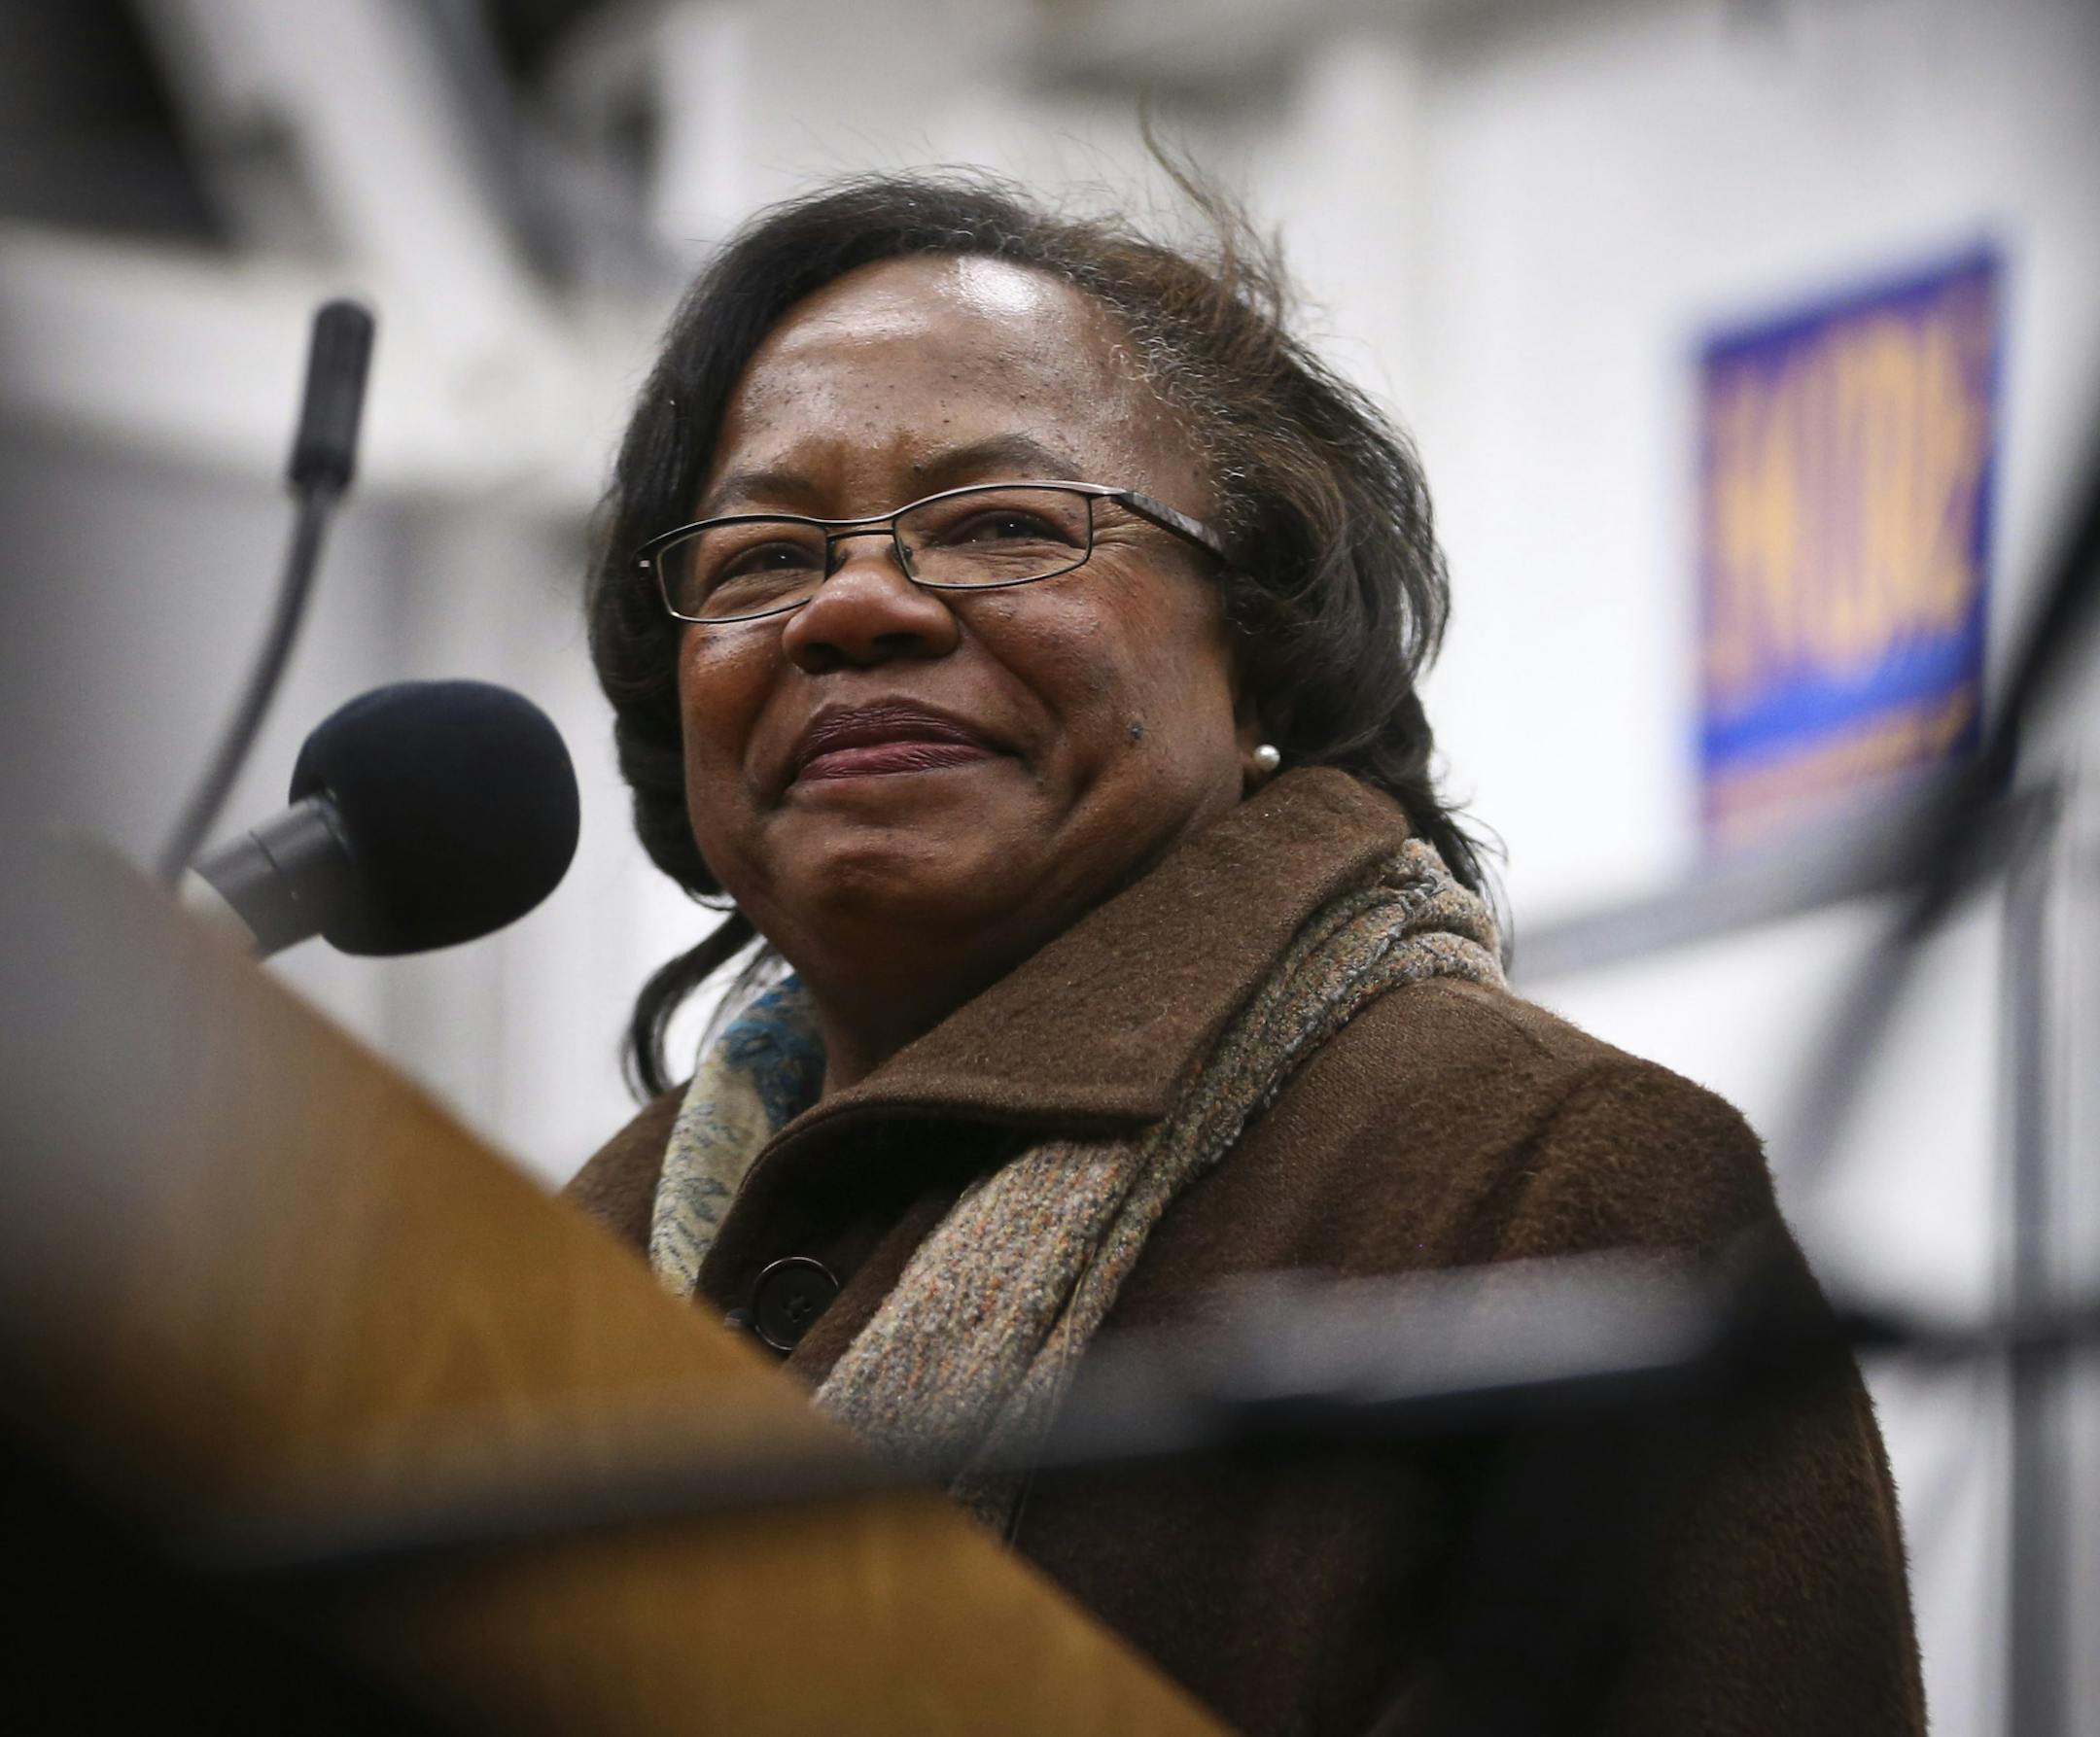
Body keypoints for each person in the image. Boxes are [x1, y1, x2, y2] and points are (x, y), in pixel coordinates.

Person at [564, 172, 1924, 1735]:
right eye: (761, 560)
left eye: (1002, 525)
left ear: (1258, 645)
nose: (855, 605)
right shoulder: (552, 1267)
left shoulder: (1553, 1185)